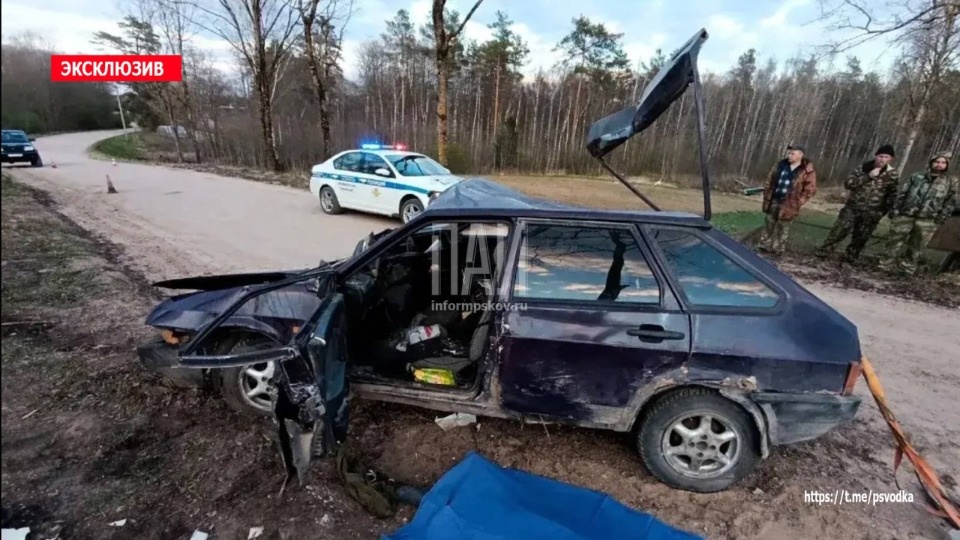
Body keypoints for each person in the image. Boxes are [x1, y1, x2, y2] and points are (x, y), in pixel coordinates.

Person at [878, 150, 958, 275]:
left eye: (943, 162)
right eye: (937, 161)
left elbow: (951, 202)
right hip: (906, 215)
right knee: (893, 242)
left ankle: (906, 270)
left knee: (916, 247)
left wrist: (941, 217)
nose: (939, 164)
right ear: (932, 163)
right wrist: (896, 209)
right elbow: (903, 193)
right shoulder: (917, 176)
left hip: (928, 220)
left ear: (947, 165)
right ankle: (883, 267)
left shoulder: (950, 181)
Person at [816, 145, 899, 263]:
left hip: (872, 212)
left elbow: (892, 195)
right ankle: (822, 255)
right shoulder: (863, 168)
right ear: (875, 156)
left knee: (860, 238)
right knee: (838, 232)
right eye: (880, 156)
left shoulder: (892, 174)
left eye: (886, 157)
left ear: (890, 159)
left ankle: (849, 260)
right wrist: (868, 177)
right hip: (852, 208)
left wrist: (881, 212)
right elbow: (848, 184)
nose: (882, 159)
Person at [758, 144, 817, 254]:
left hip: (790, 203)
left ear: (800, 155)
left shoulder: (807, 171)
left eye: (792, 153)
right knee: (769, 222)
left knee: (783, 227)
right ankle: (763, 245)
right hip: (775, 199)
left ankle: (779, 249)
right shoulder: (780, 165)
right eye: (789, 153)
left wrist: (800, 201)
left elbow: (810, 189)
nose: (789, 155)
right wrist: (767, 194)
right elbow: (769, 180)